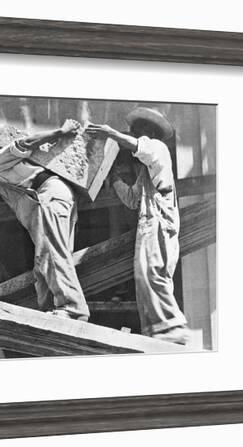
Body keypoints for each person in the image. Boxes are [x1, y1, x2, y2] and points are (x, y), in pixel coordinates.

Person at [0, 120, 90, 322]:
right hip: (51, 199)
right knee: (43, 261)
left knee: (51, 252)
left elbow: (26, 143)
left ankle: (72, 308)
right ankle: (51, 310)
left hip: (48, 197)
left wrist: (60, 131)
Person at [86, 107, 191, 345]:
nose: (135, 133)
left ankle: (171, 325)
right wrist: (114, 179)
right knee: (144, 277)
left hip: (158, 221)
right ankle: (156, 330)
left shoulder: (158, 149)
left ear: (149, 130)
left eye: (138, 130)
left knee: (153, 273)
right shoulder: (147, 169)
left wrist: (111, 133)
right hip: (149, 221)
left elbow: (138, 146)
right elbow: (133, 199)